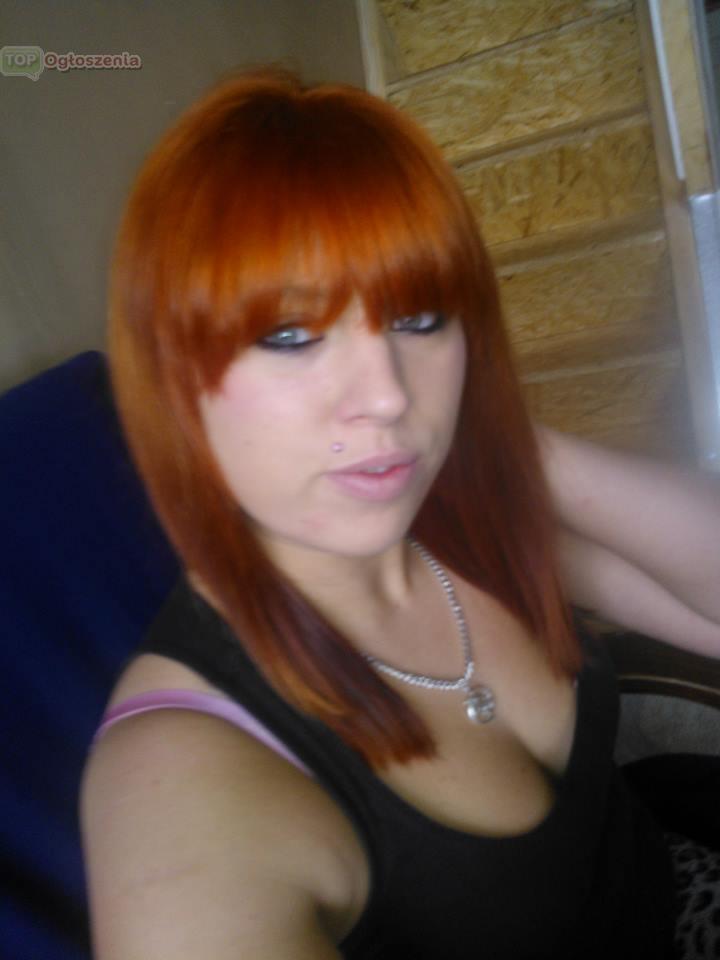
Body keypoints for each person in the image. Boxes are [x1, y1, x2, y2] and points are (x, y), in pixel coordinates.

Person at [80, 69, 720, 959]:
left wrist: (509, 447)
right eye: (291, 336)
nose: (386, 396)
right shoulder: (180, 779)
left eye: (420, 318)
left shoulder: (459, 530)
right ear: (174, 379)